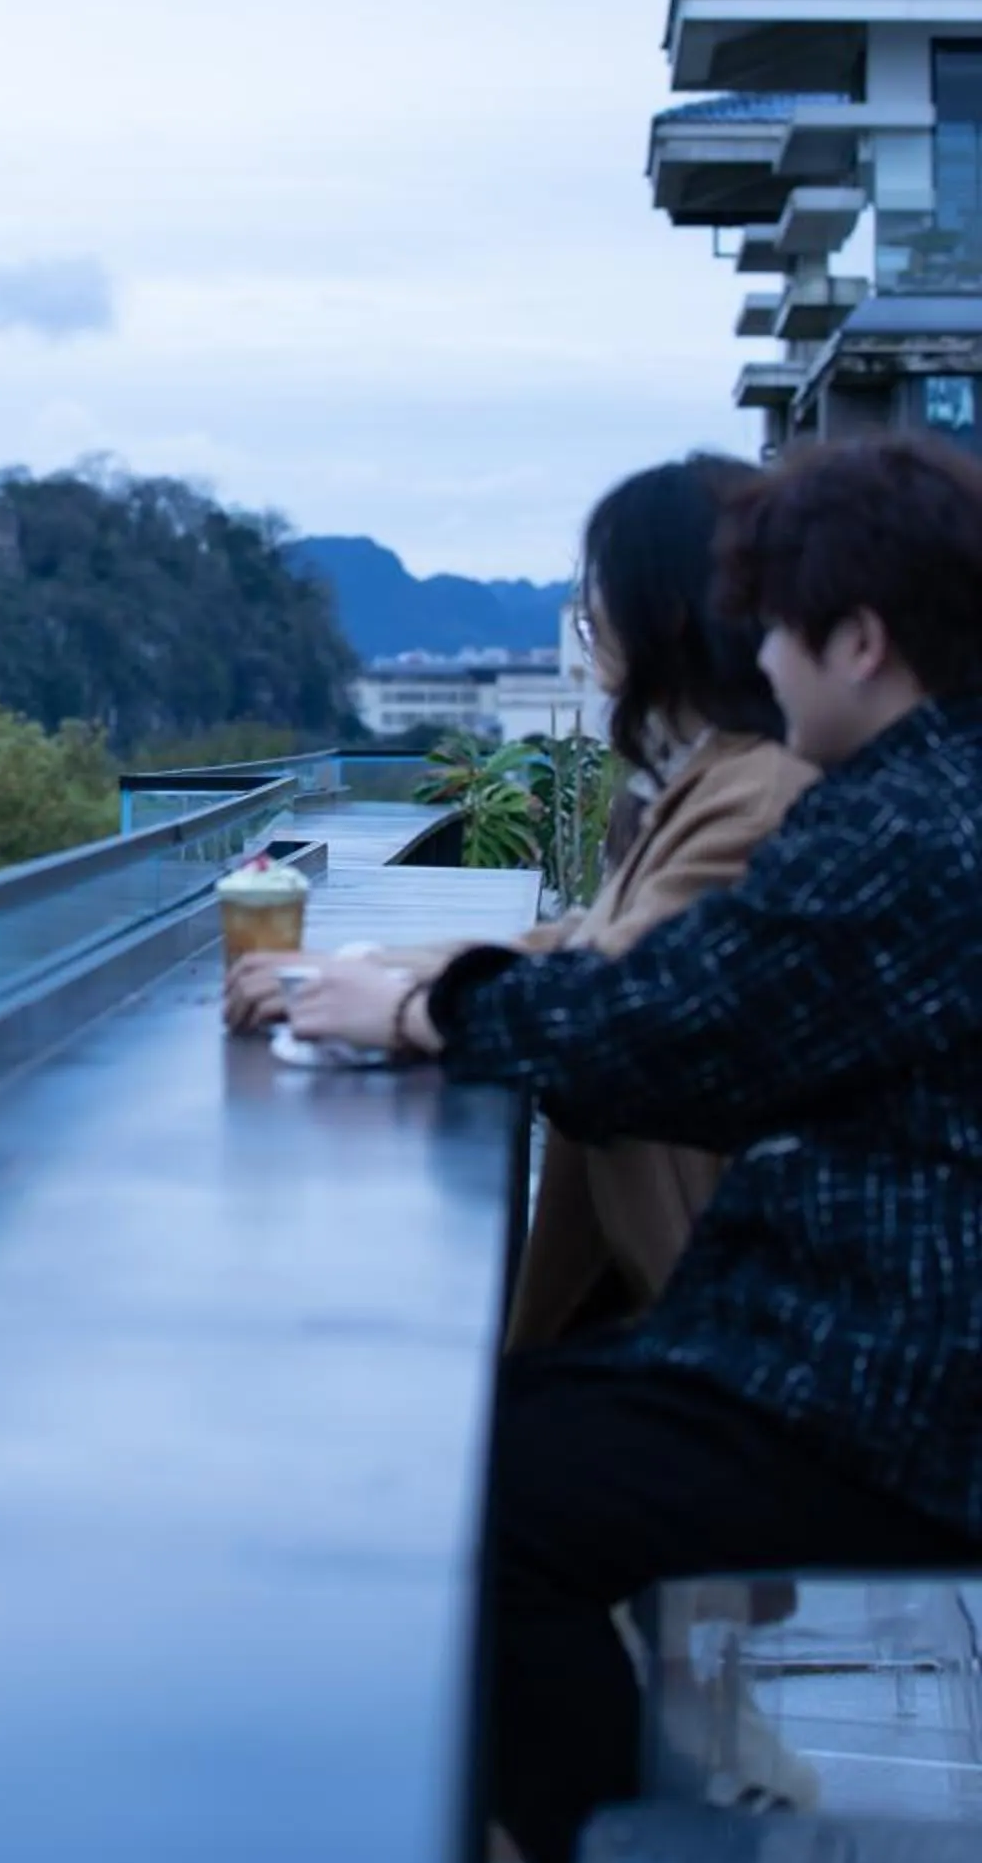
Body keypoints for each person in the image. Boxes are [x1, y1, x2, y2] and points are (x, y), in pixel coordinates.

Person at [256, 435, 982, 1863]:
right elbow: (696, 993)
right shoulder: (924, 797)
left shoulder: (912, 825)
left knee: (471, 1501)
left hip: (899, 1381)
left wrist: (415, 1006)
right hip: (875, 1338)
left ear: (859, 639)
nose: (762, 662)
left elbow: (673, 1024)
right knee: (499, 1457)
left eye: (780, 628)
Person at [231, 454, 818, 1349]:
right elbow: (579, 944)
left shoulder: (758, 793)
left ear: (661, 614)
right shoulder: (698, 778)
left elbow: (612, 991)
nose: (588, 631)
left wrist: (401, 1006)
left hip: (712, 1318)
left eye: (596, 604)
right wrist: (364, 966)